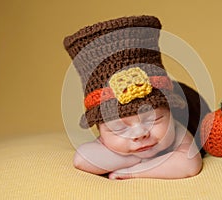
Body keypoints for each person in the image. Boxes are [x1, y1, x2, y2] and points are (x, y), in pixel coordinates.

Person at [63, 15, 209, 179]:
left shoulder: (176, 127)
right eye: (119, 128)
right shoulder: (110, 138)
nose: (140, 134)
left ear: (169, 109)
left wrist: (132, 171)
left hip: (198, 113)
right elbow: (82, 159)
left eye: (153, 119)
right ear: (100, 129)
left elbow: (189, 164)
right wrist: (137, 156)